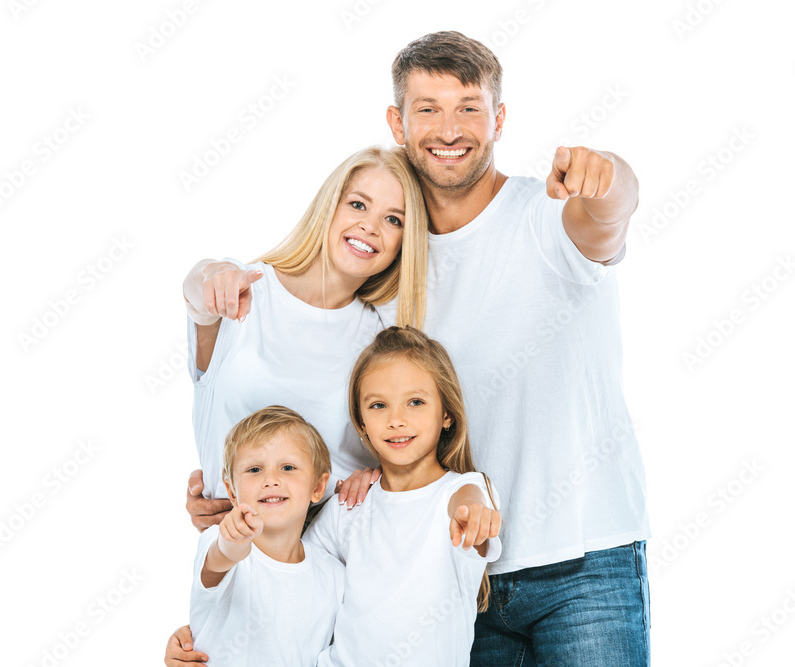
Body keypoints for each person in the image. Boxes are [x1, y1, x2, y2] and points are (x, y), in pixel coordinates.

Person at [171, 30, 650, 666]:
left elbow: (610, 214)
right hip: (450, 573)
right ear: (398, 122)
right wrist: (239, 482)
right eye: (427, 109)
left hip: (585, 556)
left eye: (468, 108)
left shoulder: (548, 215)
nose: (449, 129)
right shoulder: (383, 286)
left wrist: (610, 174)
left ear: (498, 119)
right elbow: (311, 413)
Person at [182, 145, 428, 531]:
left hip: (327, 558)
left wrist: (378, 478)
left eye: (394, 219)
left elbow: (403, 443)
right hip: (231, 559)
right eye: (358, 205)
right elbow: (197, 293)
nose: (371, 227)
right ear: (329, 207)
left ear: (404, 241)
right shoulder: (244, 292)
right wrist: (212, 271)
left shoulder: (379, 341)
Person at [305, 326, 501, 666]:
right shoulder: (350, 504)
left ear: (446, 414)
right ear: (362, 423)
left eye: (415, 402)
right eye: (379, 405)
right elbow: (291, 575)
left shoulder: (460, 491)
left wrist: (473, 513)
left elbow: (469, 501)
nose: (396, 419)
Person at [189, 406, 343, 666]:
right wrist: (232, 544)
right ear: (232, 491)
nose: (271, 479)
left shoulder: (334, 575)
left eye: (288, 467)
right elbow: (219, 560)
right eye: (254, 470)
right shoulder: (218, 541)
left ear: (318, 487)